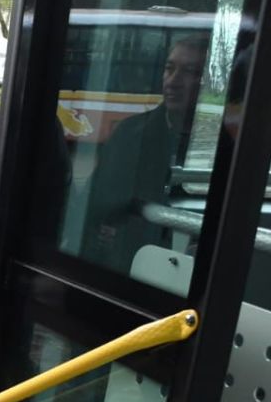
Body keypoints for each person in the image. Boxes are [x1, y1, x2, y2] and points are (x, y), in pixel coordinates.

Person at [81, 35, 208, 273]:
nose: (173, 81)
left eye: (189, 71)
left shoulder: (222, 145)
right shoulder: (130, 134)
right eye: (169, 69)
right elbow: (93, 205)